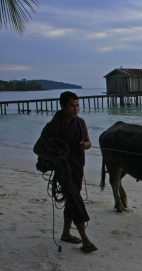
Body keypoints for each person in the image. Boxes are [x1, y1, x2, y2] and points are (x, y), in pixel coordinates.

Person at [33, 91, 97, 253]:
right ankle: (85, 239)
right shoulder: (51, 127)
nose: (76, 109)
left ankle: (66, 233)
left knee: (71, 198)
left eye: (77, 105)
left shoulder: (81, 123)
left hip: (77, 166)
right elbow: (37, 148)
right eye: (72, 106)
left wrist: (85, 145)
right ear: (62, 106)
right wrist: (52, 159)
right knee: (75, 199)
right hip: (62, 169)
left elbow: (89, 142)